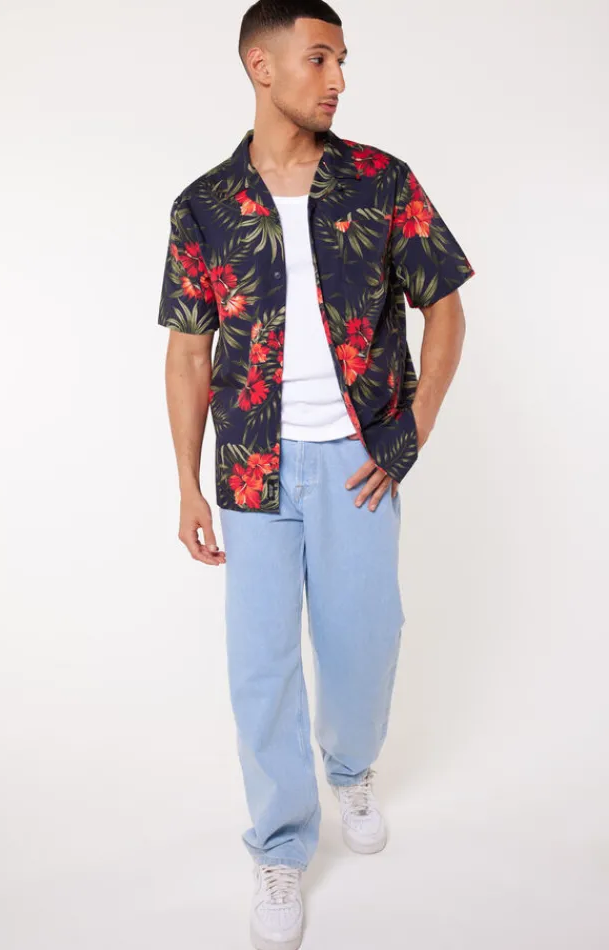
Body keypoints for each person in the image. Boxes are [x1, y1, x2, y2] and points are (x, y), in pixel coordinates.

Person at [157, 1, 475, 946]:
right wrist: (187, 483)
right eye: (320, 58)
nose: (338, 79)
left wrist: (413, 427)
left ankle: (351, 772)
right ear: (262, 66)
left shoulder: (382, 181)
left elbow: (446, 307)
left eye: (342, 61)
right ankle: (280, 846)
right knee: (260, 669)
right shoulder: (204, 205)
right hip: (252, 469)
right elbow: (188, 352)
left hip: (356, 466)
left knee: (364, 645)